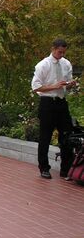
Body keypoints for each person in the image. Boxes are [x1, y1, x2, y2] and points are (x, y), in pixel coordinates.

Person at [31, 38, 77, 179]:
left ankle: (66, 169)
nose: (61, 54)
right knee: (45, 137)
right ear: (53, 49)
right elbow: (36, 87)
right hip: (47, 103)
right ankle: (44, 168)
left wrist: (71, 84)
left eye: (63, 52)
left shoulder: (66, 64)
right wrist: (55, 86)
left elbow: (66, 85)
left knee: (67, 136)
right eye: (59, 52)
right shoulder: (43, 65)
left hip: (61, 103)